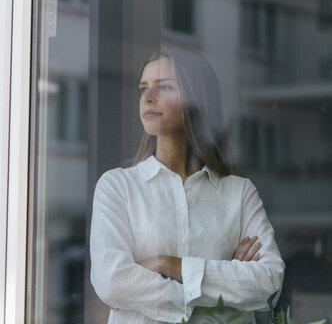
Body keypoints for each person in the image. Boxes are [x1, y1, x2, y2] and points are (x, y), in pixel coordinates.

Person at [89, 47, 285, 323]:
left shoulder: (239, 192)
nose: (148, 97)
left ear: (197, 98)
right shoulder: (117, 187)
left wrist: (166, 264)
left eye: (164, 86)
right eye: (143, 88)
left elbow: (270, 282)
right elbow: (111, 282)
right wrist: (225, 284)